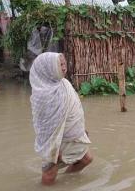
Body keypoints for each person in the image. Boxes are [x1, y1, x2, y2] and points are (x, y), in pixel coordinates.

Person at [29, 52, 93, 185]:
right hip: (56, 141)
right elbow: (47, 126)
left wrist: (81, 130)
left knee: (86, 159)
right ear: (48, 69)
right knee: (49, 173)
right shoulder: (45, 94)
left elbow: (73, 110)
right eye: (59, 65)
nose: (64, 68)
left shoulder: (63, 84)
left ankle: (67, 179)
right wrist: (53, 148)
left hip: (72, 136)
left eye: (64, 64)